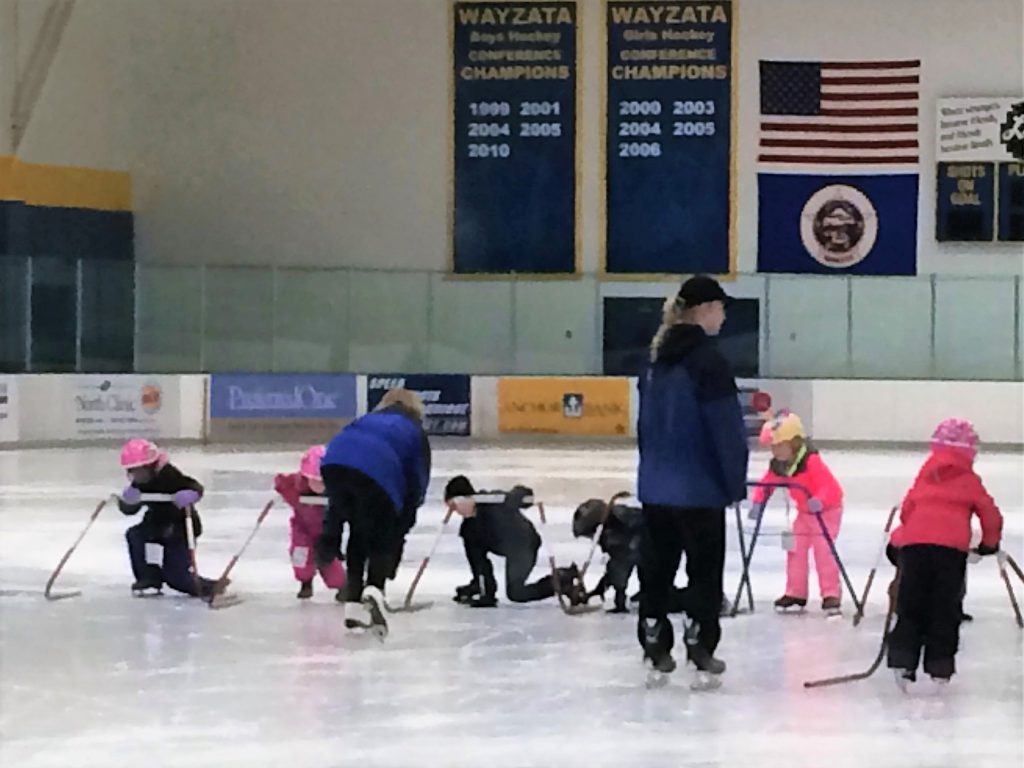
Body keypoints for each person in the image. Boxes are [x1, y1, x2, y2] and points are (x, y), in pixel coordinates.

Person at [635, 275, 749, 684]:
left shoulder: (653, 359)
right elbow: (725, 429)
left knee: (657, 567)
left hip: (656, 487)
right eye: (720, 307)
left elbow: (645, 427)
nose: (723, 316)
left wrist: (650, 472)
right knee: (703, 570)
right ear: (704, 310)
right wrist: (734, 482)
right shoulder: (708, 362)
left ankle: (653, 637)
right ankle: (700, 642)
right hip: (699, 489)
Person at [886, 418, 1003, 690]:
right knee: (944, 608)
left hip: (914, 549)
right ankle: (940, 664)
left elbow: (907, 509)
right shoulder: (969, 479)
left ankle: (903, 659)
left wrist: (913, 533)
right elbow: (991, 515)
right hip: (950, 553)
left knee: (911, 603)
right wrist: (989, 544)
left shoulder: (926, 473)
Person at [315, 388, 431, 638]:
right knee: (381, 534)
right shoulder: (413, 430)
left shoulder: (367, 419)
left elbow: (348, 444)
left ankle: (353, 605)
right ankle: (375, 589)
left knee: (358, 529)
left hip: (333, 461)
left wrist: (330, 531)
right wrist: (406, 517)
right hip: (377, 472)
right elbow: (417, 477)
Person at [749, 412, 845, 615]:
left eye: (779, 446)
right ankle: (796, 592)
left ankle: (831, 593)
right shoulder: (779, 466)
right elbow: (767, 484)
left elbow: (830, 486)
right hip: (804, 513)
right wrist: (759, 501)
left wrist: (819, 500)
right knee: (795, 549)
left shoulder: (811, 462)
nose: (775, 451)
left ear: (794, 443)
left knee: (824, 551)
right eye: (773, 447)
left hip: (826, 512)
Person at [447, 476, 583, 608]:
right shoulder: (468, 530)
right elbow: (479, 563)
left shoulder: (493, 501)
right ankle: (479, 585)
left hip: (525, 544)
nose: (454, 511)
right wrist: (485, 592)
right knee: (473, 547)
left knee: (516, 593)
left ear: (466, 499)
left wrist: (513, 497)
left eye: (454, 505)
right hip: (510, 551)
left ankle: (562, 580)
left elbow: (525, 494)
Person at [118, 438, 222, 600]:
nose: (137, 476)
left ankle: (208, 587)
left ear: (151, 467)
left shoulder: (169, 474)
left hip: (180, 528)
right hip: (156, 524)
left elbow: (194, 486)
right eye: (133, 472)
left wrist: (191, 493)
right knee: (135, 535)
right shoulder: (140, 482)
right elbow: (129, 509)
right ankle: (149, 578)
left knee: (177, 579)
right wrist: (128, 502)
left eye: (140, 471)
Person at [274, 445, 346, 601]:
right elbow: (283, 484)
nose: (319, 486)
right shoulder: (296, 485)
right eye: (315, 481)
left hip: (326, 531)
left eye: (323, 481)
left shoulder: (337, 490)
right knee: (300, 557)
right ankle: (305, 582)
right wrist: (280, 486)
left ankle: (341, 586)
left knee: (329, 564)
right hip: (302, 529)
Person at [572, 497, 643, 613]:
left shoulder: (619, 529)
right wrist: (600, 588)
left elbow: (620, 565)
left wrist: (618, 596)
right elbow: (614, 566)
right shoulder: (611, 534)